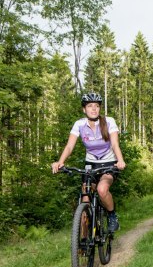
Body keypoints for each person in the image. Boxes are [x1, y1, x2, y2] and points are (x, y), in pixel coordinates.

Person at [51, 92, 126, 232]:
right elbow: (69, 146)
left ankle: (112, 216)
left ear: (99, 109)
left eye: (96, 106)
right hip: (90, 164)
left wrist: (120, 160)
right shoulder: (79, 124)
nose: (93, 109)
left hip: (109, 163)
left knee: (102, 189)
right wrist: (60, 162)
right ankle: (83, 243)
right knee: (85, 199)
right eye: (90, 106)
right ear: (84, 109)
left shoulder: (109, 122)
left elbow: (115, 144)